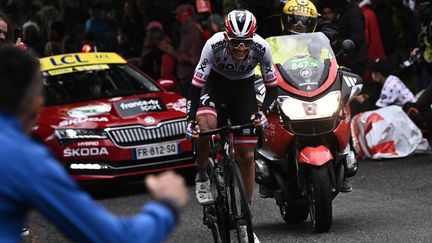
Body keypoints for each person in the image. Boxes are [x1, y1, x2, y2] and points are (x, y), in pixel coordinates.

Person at [0, 45, 188, 242]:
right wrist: (167, 204)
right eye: (40, 94)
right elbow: (117, 239)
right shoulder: (22, 157)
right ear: (34, 101)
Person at [186, 9, 278, 243]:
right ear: (226, 38)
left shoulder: (261, 48)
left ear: (252, 38)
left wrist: (263, 112)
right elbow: (196, 86)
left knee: (246, 156)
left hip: (242, 89)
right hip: (214, 85)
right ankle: (203, 174)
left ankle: (245, 219)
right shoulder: (212, 45)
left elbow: (272, 88)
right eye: (236, 43)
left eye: (245, 43)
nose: (241, 48)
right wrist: (189, 120)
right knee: (206, 125)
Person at [157, 4, 206, 97]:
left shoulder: (193, 33)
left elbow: (193, 59)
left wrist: (172, 52)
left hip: (191, 79)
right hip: (186, 79)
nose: (176, 18)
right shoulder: (185, 32)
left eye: (177, 15)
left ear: (185, 15)